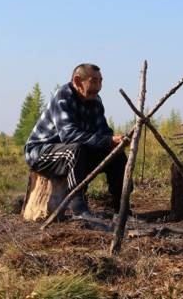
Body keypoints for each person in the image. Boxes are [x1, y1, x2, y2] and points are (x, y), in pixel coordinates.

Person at [24, 63, 129, 218]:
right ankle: (78, 208)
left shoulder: (95, 100)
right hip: (41, 152)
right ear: (78, 81)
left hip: (74, 151)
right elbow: (69, 135)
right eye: (94, 81)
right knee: (75, 150)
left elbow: (103, 132)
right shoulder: (63, 96)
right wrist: (107, 140)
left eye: (100, 81)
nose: (98, 86)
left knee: (116, 155)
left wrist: (116, 141)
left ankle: (122, 209)